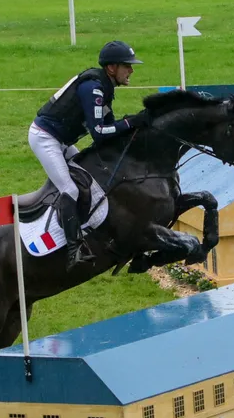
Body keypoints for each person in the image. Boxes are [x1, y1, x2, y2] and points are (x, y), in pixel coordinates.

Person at [30, 40, 150, 269]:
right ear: (111, 68)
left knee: (93, 182)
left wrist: (133, 126)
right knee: (70, 189)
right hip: (45, 138)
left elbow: (109, 127)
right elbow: (100, 133)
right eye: (127, 66)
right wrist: (130, 122)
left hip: (62, 141)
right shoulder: (93, 88)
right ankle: (73, 251)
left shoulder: (105, 86)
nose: (131, 70)